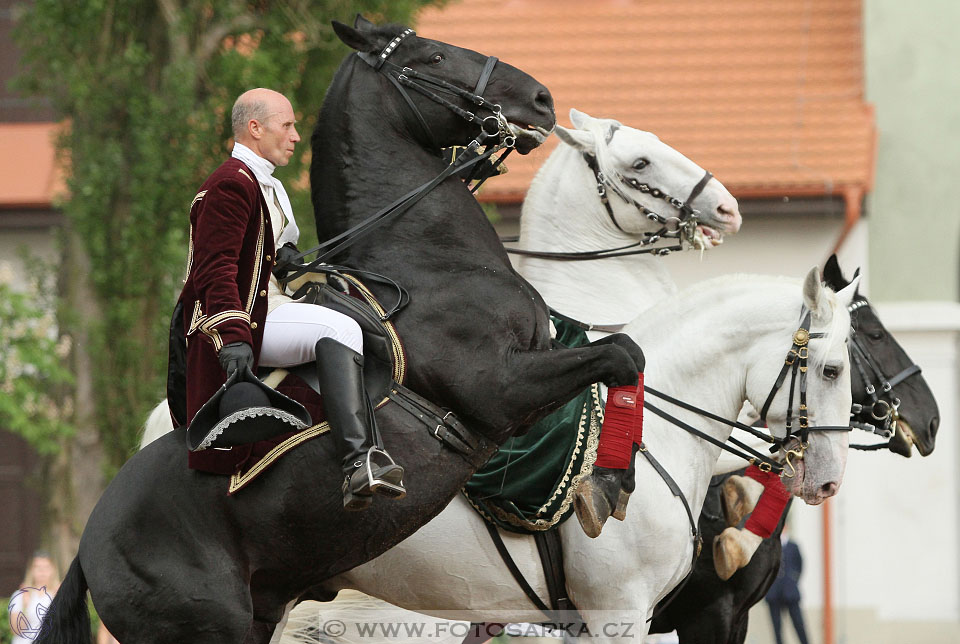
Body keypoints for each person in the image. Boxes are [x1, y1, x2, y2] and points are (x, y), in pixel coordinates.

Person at [167, 88, 404, 509]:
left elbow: (268, 256)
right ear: (255, 128)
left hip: (269, 306)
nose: (296, 136)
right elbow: (215, 269)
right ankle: (358, 460)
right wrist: (234, 336)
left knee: (358, 313)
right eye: (288, 125)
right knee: (340, 327)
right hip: (239, 318)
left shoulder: (266, 185)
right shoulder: (229, 185)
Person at [765, 525, 809, 644]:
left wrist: (793, 579)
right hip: (773, 592)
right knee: (777, 628)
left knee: (799, 624)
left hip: (790, 591)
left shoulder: (793, 546)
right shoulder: (769, 546)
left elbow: (799, 565)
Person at [8, 552, 59, 644]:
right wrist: (25, 606)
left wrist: (62, 601)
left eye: (46, 567)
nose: (42, 571)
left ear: (53, 570)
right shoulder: (20, 595)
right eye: (38, 567)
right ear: (31, 570)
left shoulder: (58, 595)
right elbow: (15, 630)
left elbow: (65, 628)